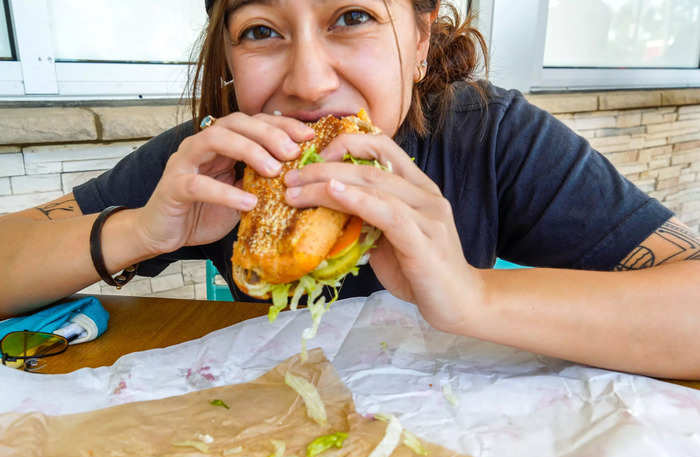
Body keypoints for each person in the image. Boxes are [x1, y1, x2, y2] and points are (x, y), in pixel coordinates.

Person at [1, 0, 698, 379]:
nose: (306, 80)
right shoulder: (215, 157)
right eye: (263, 30)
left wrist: (472, 293)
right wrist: (140, 230)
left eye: (353, 16)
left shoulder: (492, 137)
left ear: (421, 38)